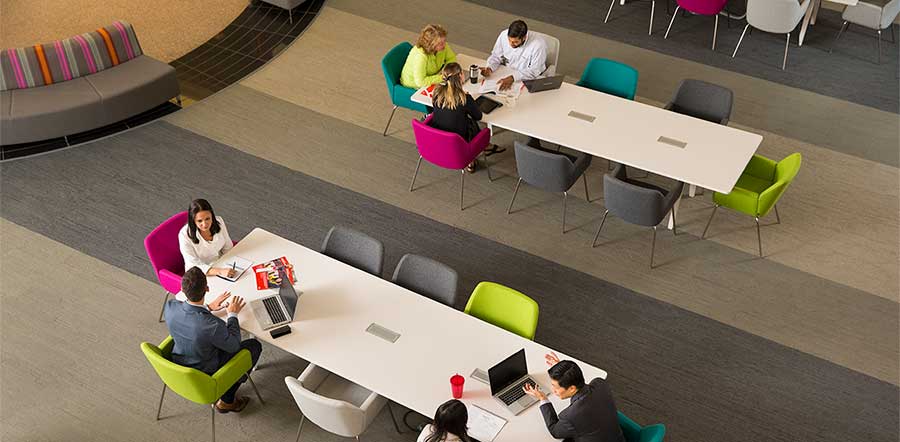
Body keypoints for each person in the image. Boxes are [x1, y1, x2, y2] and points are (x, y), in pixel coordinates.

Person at [163, 267, 262, 413]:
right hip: (206, 372)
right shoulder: (212, 325)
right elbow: (234, 345)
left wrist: (207, 308)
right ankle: (227, 400)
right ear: (207, 289)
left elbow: (191, 321)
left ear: (183, 290)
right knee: (254, 346)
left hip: (178, 363)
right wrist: (232, 315)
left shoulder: (170, 307)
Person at [523, 352, 625, 442]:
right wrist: (564, 373)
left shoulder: (570, 416)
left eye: (556, 387)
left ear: (572, 388)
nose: (553, 391)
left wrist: (542, 398)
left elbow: (555, 431)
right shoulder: (600, 383)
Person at [428, 62, 483, 173]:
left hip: (439, 137)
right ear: (461, 76)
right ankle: (471, 160)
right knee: (473, 124)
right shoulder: (464, 98)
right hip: (459, 141)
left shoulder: (436, 92)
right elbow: (478, 116)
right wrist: (469, 99)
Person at [481, 20, 548, 91]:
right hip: (506, 73)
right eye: (509, 40)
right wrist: (490, 68)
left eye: (515, 42)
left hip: (526, 79)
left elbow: (534, 71)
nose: (511, 44)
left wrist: (513, 78)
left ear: (524, 38)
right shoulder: (503, 35)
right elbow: (496, 56)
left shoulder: (538, 45)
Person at [179, 198, 235, 278]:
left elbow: (228, 247)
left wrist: (232, 263)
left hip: (220, 264)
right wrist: (220, 271)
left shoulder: (219, 222)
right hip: (199, 274)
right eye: (199, 221)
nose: (205, 224)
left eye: (207, 219)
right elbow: (193, 264)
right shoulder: (184, 235)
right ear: (193, 221)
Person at [401, 24, 458, 89]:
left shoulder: (443, 47)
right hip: (413, 85)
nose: (444, 45)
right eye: (440, 43)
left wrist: (446, 71)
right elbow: (420, 82)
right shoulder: (421, 56)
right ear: (430, 45)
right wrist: (442, 77)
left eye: (444, 41)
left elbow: (451, 58)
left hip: (433, 77)